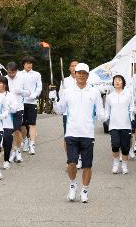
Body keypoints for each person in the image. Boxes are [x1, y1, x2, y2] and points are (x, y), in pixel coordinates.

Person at [50, 63, 104, 203]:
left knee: (87, 166)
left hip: (87, 134)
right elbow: (60, 110)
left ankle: (84, 191)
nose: (80, 75)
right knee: (72, 164)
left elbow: (100, 113)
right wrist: (53, 100)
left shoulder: (94, 92)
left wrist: (106, 115)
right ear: (75, 74)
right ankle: (73, 185)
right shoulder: (67, 91)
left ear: (87, 75)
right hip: (71, 133)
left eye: (83, 73)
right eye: (78, 73)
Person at [105, 75, 133, 174]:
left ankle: (124, 166)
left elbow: (132, 109)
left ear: (123, 82)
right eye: (115, 80)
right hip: (114, 125)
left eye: (119, 80)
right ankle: (116, 165)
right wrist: (104, 117)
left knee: (125, 147)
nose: (117, 82)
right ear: (113, 83)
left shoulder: (128, 95)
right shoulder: (109, 97)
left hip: (126, 125)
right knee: (115, 145)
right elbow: (107, 111)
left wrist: (132, 119)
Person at [59, 60, 82, 169]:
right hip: (67, 113)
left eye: (76, 66)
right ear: (69, 68)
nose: (74, 67)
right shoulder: (65, 81)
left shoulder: (83, 80)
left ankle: (80, 157)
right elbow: (61, 97)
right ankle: (70, 159)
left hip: (81, 112)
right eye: (72, 66)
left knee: (80, 136)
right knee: (68, 137)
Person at [5, 62, 30, 163]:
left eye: (13, 73)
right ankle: (12, 151)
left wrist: (20, 91)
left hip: (19, 108)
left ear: (16, 70)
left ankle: (18, 151)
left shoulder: (22, 78)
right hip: (7, 109)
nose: (11, 74)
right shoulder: (4, 79)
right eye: (9, 72)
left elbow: (28, 92)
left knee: (17, 130)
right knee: (8, 133)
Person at [20, 56, 42, 155]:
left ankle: (32, 144)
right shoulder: (19, 74)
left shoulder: (36, 74)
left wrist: (33, 95)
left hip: (32, 102)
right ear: (24, 64)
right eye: (27, 63)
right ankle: (25, 141)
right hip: (21, 103)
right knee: (23, 125)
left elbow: (39, 87)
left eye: (30, 63)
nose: (29, 65)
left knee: (32, 124)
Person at [0, 76, 18, 170]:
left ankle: (6, 160)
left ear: (5, 85)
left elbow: (15, 109)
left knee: (7, 141)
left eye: (0, 83)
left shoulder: (10, 96)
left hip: (7, 122)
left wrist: (8, 106)